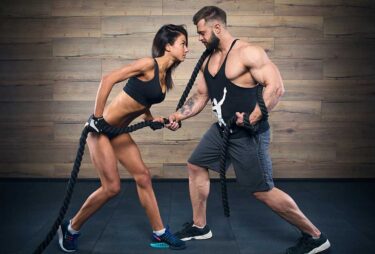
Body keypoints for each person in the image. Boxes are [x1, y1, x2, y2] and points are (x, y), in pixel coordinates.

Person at [167, 6, 331, 254]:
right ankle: (200, 226)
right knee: (196, 164)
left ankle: (315, 236)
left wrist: (253, 117)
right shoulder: (208, 60)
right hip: (222, 130)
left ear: (217, 28)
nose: (199, 38)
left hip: (248, 135)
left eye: (202, 33)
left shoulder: (248, 53)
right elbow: (201, 96)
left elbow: (275, 87)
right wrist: (179, 115)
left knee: (262, 191)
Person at [57, 24, 188, 252]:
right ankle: (70, 229)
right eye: (183, 44)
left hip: (118, 133)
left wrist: (151, 119)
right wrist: (96, 117)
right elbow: (108, 79)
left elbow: (141, 100)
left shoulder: (165, 76)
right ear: (168, 46)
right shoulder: (148, 65)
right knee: (112, 187)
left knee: (144, 177)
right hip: (100, 131)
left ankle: (160, 232)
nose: (187, 49)